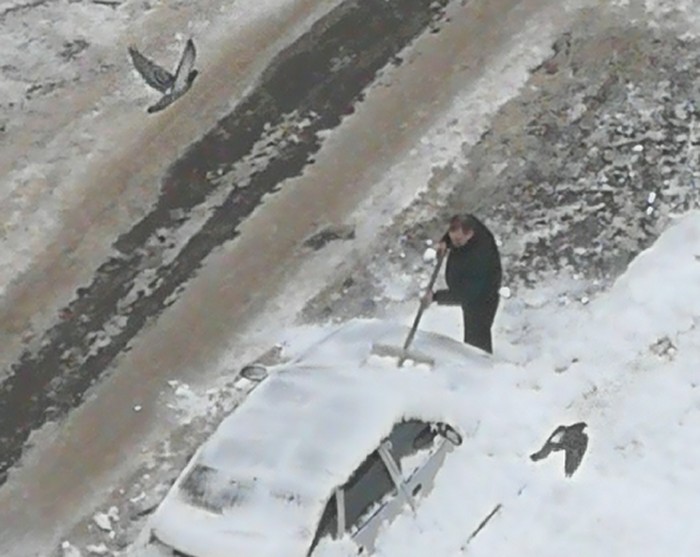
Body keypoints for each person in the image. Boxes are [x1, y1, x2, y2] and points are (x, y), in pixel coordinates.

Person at [422, 214, 502, 354]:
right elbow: (456, 228)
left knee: (476, 342)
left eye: (457, 241)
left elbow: (466, 294)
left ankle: (482, 371)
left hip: (482, 298)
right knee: (471, 341)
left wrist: (435, 297)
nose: (455, 244)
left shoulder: (480, 256)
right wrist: (445, 241)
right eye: (453, 238)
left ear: (470, 234)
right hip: (470, 290)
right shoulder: (470, 225)